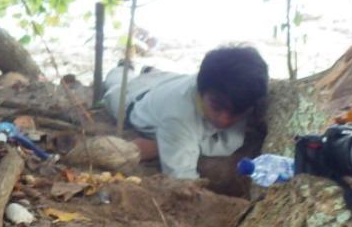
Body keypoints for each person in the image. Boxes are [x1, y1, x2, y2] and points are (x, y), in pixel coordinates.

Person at [101, 46, 269, 180]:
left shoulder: (230, 92)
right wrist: (168, 144)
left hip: (168, 81)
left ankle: (148, 72)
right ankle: (123, 67)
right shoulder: (179, 119)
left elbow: (230, 141)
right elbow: (182, 179)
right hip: (134, 100)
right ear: (201, 91)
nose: (225, 120)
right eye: (217, 107)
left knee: (156, 79)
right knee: (116, 83)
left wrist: (159, 147)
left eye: (237, 113)